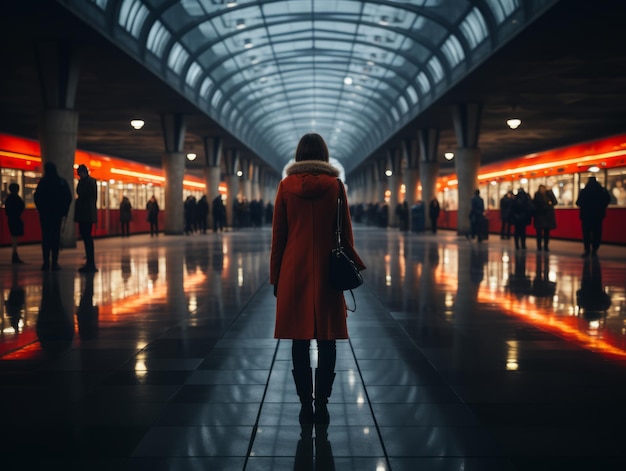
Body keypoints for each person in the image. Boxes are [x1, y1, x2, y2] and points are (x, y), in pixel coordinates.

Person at [270, 133, 365, 426]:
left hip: (293, 269)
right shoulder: (335, 186)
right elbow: (345, 232)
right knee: (327, 339)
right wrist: (356, 266)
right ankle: (322, 403)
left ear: (298, 155)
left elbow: (279, 236)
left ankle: (304, 405)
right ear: (324, 156)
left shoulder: (285, 186)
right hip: (327, 269)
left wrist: (276, 277)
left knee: (298, 341)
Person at [34, 162, 72, 271]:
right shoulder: (61, 182)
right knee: (56, 237)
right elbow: (68, 197)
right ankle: (55, 262)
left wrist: (41, 209)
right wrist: (64, 211)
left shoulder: (43, 182)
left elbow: (37, 197)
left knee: (45, 237)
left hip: (45, 215)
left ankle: (46, 262)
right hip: (57, 215)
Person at [576, 176, 611, 257]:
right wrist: (601, 207)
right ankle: (595, 250)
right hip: (598, 216)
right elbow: (608, 199)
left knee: (586, 234)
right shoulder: (601, 190)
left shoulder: (584, 191)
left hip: (586, 216)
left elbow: (578, 203)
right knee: (597, 233)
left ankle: (587, 250)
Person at [74, 164, 98, 273]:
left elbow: (83, 194)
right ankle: (89, 261)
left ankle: (90, 262)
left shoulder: (89, 182)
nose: (79, 175)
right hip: (84, 213)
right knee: (85, 236)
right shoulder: (86, 181)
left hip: (86, 214)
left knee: (87, 237)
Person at [4, 182, 25, 264]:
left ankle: (15, 254)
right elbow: (22, 206)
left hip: (11, 219)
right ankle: (15, 254)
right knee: (15, 237)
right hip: (16, 219)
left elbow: (7, 211)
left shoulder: (8, 199)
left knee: (14, 237)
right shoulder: (17, 198)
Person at [532, 184, 557, 251]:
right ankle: (539, 246)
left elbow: (555, 202)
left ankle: (545, 245)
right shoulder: (537, 196)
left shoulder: (548, 195)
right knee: (539, 233)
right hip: (541, 217)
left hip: (545, 217)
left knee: (546, 232)